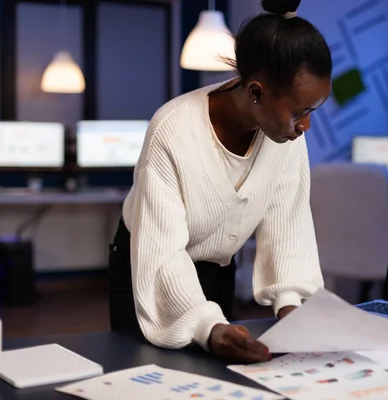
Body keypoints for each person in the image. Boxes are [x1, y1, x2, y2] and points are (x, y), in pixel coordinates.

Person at [108, 0, 332, 364]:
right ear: (256, 92)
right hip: (149, 267)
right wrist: (207, 326)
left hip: (217, 270)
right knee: (147, 376)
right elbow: (162, 252)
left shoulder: (286, 139)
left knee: (213, 376)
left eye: (312, 112)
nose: (305, 126)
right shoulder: (173, 129)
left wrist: (291, 307)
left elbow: (288, 224)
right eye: (299, 112)